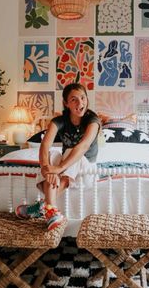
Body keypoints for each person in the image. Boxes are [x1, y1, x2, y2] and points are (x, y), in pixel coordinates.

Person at [15, 83, 101, 230]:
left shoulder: (92, 120)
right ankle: (51, 211)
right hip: (68, 166)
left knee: (70, 151)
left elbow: (83, 146)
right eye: (74, 99)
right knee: (53, 153)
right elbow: (45, 145)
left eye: (82, 98)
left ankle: (44, 206)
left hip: (87, 170)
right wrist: (46, 169)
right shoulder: (59, 121)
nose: (80, 103)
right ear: (66, 103)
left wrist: (59, 168)